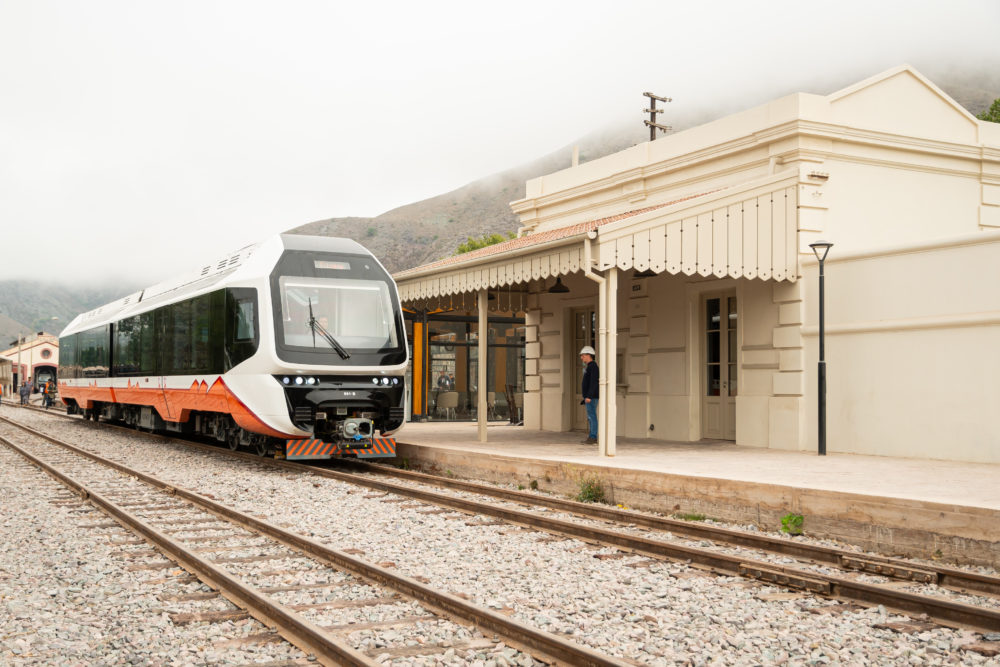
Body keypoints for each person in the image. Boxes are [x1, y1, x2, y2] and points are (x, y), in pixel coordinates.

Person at [579, 346, 599, 444]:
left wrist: (589, 396)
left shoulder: (593, 367)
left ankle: (593, 437)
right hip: (589, 397)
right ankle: (592, 437)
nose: (581, 358)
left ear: (588, 355)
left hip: (591, 397)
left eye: (582, 355)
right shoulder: (590, 367)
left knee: (592, 417)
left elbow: (594, 382)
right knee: (591, 417)